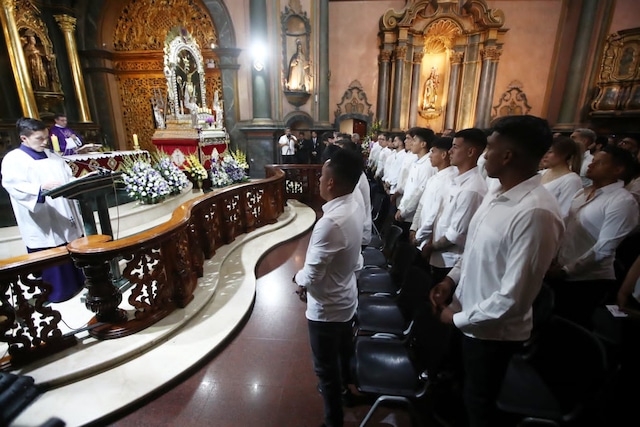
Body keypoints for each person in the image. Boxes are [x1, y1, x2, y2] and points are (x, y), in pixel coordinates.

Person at [430, 115, 564, 427]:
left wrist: (456, 317)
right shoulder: (497, 192)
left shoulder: (536, 212)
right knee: (462, 394)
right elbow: (474, 248)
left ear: (508, 156)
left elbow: (514, 299)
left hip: (492, 334)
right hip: (469, 317)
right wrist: (451, 280)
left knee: (481, 408)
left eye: (489, 148)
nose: (483, 155)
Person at [293, 148, 364, 427]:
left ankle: (333, 421)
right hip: (346, 297)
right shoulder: (353, 207)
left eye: (322, 176)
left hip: (326, 308)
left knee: (326, 371)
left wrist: (298, 280)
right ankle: (345, 395)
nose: (319, 181)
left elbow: (311, 274)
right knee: (342, 357)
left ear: (331, 182)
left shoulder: (330, 223)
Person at [547, 145, 639, 328]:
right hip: (561, 268)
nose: (590, 165)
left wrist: (567, 271)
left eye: (599, 163)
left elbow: (604, 248)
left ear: (618, 169)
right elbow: (568, 229)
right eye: (592, 161)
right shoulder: (584, 191)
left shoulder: (622, 202)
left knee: (571, 326)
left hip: (587, 278)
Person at [2, 117, 85, 303]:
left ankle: (79, 282)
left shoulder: (53, 156)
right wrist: (39, 189)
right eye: (39, 138)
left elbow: (67, 176)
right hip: (42, 215)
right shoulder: (14, 159)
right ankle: (56, 292)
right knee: (52, 249)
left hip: (63, 211)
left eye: (46, 137)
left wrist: (77, 183)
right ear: (24, 138)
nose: (45, 141)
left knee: (70, 243)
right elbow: (13, 185)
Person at [421, 128, 488, 283]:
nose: (450, 151)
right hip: (439, 254)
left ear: (471, 152)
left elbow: (456, 234)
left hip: (450, 260)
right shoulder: (456, 179)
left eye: (455, 147)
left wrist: (431, 247)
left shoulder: (472, 189)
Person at [539, 136, 583, 217]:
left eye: (550, 152)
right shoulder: (541, 173)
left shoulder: (571, 180)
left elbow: (565, 213)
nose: (545, 155)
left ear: (564, 154)